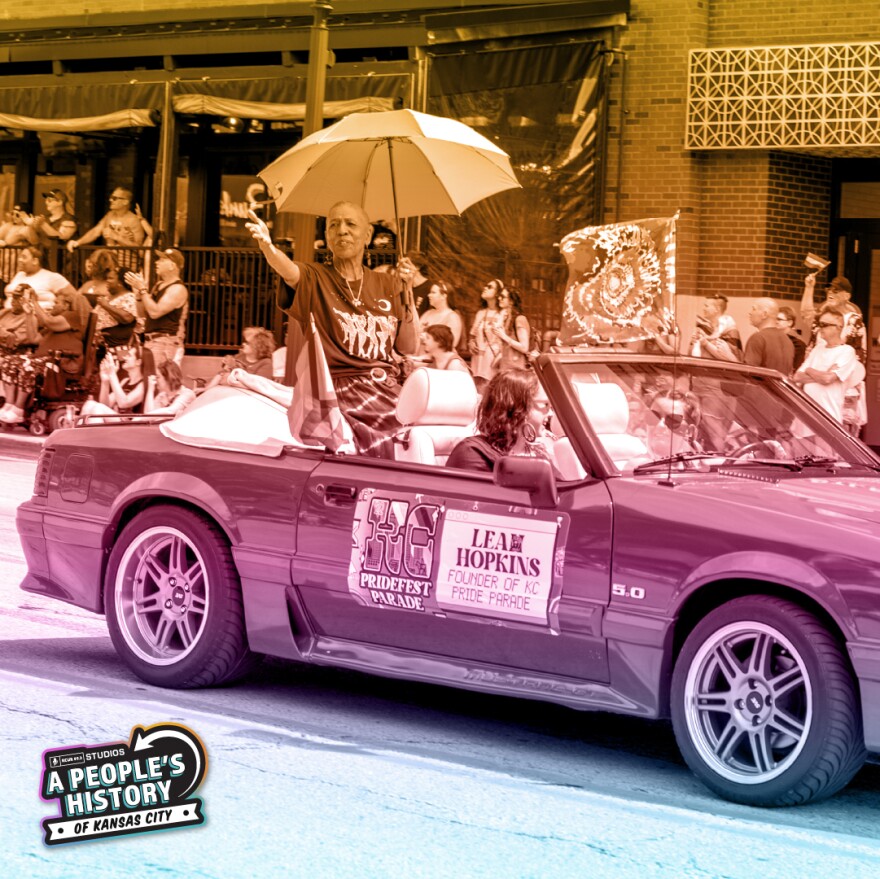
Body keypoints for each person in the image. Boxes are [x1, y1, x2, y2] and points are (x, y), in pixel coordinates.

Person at [245, 201, 420, 458]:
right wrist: (268, 247)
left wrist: (408, 291)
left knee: (422, 430)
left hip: (387, 387)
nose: (342, 231)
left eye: (351, 224)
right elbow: (289, 271)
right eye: (333, 225)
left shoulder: (389, 283)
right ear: (326, 236)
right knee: (395, 436)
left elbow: (408, 347)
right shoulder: (316, 277)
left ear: (368, 234)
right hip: (339, 388)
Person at [446, 368, 557, 473]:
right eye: (545, 404)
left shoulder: (539, 451)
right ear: (518, 407)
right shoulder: (472, 452)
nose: (551, 413)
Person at [792, 307, 860, 424]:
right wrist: (822, 373)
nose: (820, 328)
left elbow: (827, 379)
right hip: (805, 417)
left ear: (839, 327)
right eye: (819, 324)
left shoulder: (847, 351)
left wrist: (809, 370)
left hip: (828, 418)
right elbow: (797, 377)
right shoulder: (817, 349)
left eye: (824, 324)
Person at [125, 248, 188, 366]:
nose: (156, 262)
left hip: (165, 342)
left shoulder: (178, 289)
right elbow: (143, 313)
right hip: (151, 340)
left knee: (157, 381)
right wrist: (138, 295)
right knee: (149, 381)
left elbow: (155, 312)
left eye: (162, 260)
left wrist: (143, 290)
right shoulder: (158, 285)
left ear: (172, 266)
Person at [66, 187, 152, 257]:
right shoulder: (110, 215)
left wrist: (117, 237)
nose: (111, 200)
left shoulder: (134, 220)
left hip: (127, 265)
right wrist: (77, 242)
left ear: (125, 202)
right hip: (110, 262)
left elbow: (140, 250)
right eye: (111, 197)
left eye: (114, 198)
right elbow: (96, 231)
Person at [78, 249, 137, 350]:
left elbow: (127, 318)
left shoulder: (127, 296)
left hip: (110, 342)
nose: (108, 281)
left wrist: (105, 305)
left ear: (120, 282)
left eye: (111, 279)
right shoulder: (105, 295)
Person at [800, 273, 865, 362]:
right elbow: (806, 314)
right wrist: (809, 287)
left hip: (839, 371)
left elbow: (861, 353)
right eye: (828, 289)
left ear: (847, 296)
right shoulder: (821, 316)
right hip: (815, 368)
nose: (830, 292)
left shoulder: (854, 322)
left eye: (836, 290)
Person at [3, 244, 76, 311]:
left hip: (34, 320)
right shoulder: (19, 275)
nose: (19, 260)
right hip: (8, 318)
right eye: (20, 257)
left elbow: (75, 297)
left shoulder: (52, 277)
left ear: (35, 261)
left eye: (24, 257)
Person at [79, 345, 146, 417]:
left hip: (132, 424)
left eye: (129, 356)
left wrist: (112, 374)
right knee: (89, 404)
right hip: (118, 420)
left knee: (98, 409)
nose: (124, 357)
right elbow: (105, 405)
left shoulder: (143, 385)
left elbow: (124, 403)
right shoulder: (125, 381)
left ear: (138, 362)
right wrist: (105, 381)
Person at [206, 326, 276, 389]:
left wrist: (231, 375)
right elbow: (222, 374)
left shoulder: (266, 363)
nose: (243, 344)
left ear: (258, 347)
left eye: (247, 343)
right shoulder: (240, 356)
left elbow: (258, 385)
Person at [468, 278, 505, 390]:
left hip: (493, 361)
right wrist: (471, 342)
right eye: (485, 286)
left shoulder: (504, 314)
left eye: (490, 287)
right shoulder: (480, 313)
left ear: (498, 293)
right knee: (477, 390)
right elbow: (473, 335)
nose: (485, 288)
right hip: (478, 359)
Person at [744, 297, 794, 374]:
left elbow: (748, 372)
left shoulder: (758, 338)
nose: (750, 313)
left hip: (760, 385)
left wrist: (730, 357)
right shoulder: (787, 340)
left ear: (764, 314)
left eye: (754, 309)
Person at [688, 294, 743, 362]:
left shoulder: (730, 331)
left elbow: (731, 360)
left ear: (717, 309)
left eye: (706, 306)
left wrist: (705, 343)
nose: (703, 308)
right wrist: (693, 344)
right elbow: (691, 354)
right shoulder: (702, 328)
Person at [492, 286, 532, 371]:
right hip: (506, 368)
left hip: (516, 370)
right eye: (499, 296)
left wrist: (503, 336)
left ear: (511, 301)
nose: (499, 298)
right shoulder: (507, 319)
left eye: (502, 297)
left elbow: (524, 348)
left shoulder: (519, 319)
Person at [419, 280, 464, 350]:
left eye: (433, 292)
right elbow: (416, 332)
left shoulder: (452, 317)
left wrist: (426, 338)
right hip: (420, 356)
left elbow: (451, 344)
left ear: (444, 296)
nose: (429, 295)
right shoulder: (428, 313)